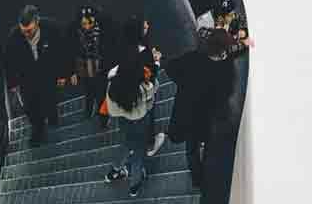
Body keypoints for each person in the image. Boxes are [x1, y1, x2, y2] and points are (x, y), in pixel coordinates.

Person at [164, 24, 240, 188]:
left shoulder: (193, 59)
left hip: (190, 115)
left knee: (191, 149)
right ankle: (207, 171)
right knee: (209, 144)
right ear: (221, 51)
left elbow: (170, 68)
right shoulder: (225, 68)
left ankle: (197, 179)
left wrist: (183, 82)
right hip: (211, 118)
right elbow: (227, 93)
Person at [100, 51, 165, 194]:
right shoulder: (141, 87)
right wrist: (155, 65)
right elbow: (150, 102)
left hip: (122, 119)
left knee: (125, 144)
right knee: (138, 151)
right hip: (139, 121)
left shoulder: (113, 85)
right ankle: (134, 184)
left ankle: (115, 171)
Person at [3, 5, 65, 146]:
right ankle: (38, 130)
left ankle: (53, 121)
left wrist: (63, 74)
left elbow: (61, 52)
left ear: (37, 22)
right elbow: (9, 61)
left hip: (48, 73)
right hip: (27, 77)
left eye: (29, 31)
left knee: (50, 100)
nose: (26, 34)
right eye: (23, 31)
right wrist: (13, 84)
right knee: (30, 106)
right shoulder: (14, 36)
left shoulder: (52, 28)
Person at [71, 5, 104, 93]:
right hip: (84, 74)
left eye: (91, 23)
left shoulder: (100, 34)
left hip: (100, 73)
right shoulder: (77, 35)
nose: (88, 27)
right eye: (84, 24)